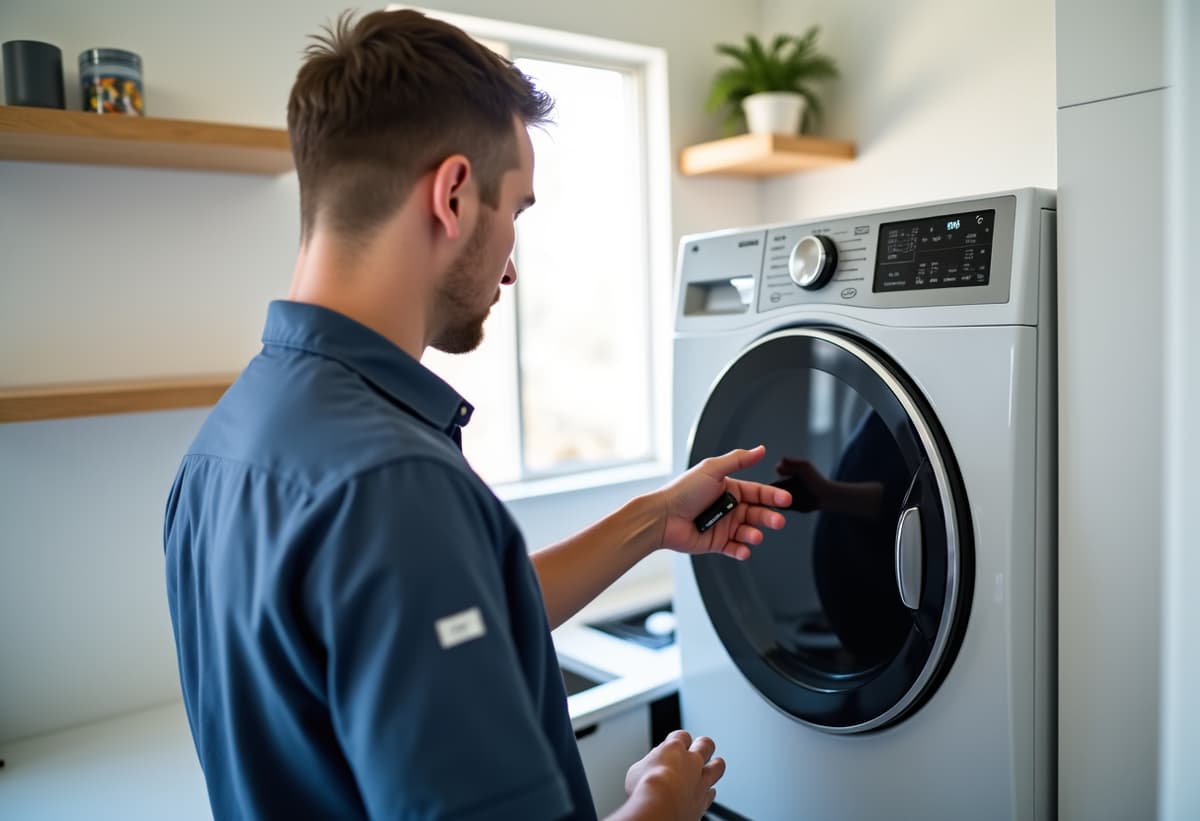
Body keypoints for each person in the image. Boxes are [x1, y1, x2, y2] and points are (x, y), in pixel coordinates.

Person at [162, 9, 792, 821]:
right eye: (517, 212)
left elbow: (426, 610)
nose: (513, 268)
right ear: (454, 193)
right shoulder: (392, 486)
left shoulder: (227, 440)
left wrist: (651, 519)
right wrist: (660, 804)